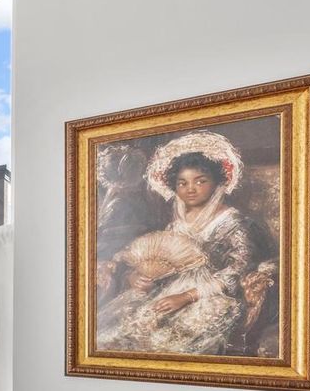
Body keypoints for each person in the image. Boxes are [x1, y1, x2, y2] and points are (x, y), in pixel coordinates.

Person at [96, 131, 276, 356]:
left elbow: (238, 270)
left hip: (213, 296)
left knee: (171, 342)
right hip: (168, 290)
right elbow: (160, 262)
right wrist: (136, 278)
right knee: (117, 333)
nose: (190, 188)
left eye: (200, 181)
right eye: (182, 183)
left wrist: (187, 296)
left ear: (217, 182)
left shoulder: (235, 223)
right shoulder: (176, 223)